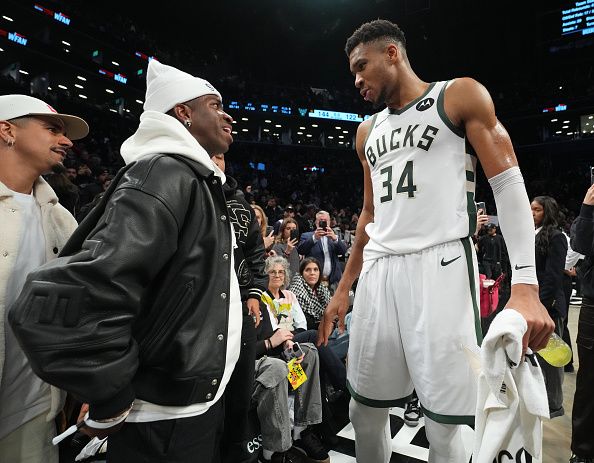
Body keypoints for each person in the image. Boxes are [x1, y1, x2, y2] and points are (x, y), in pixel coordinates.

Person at [318, 20, 554, 463]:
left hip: (441, 266)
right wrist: (344, 288)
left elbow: (506, 184)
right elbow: (369, 214)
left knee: (446, 425)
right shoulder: (365, 132)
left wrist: (525, 285)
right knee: (363, 409)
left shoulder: (457, 95)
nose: (356, 80)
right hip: (380, 273)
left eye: (361, 66)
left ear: (392, 54)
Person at [8, 60, 241, 462]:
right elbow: (76, 296)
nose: (227, 114)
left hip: (186, 405)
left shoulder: (189, 175)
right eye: (214, 104)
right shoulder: (166, 173)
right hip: (161, 414)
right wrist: (110, 391)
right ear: (182, 112)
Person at [0, 94, 89, 462]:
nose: (66, 140)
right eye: (52, 129)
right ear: (7, 131)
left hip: (31, 411)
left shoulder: (62, 222)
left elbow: (79, 313)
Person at [211, 153, 268, 462]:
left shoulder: (238, 201)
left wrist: (254, 293)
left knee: (240, 391)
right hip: (204, 312)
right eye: (209, 155)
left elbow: (255, 251)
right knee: (210, 395)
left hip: (240, 308)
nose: (215, 160)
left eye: (219, 156)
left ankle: (237, 451)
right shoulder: (186, 190)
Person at [531, 196, 568, 418]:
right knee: (535, 356)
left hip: (549, 305)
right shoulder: (533, 234)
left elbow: (553, 276)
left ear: (547, 212)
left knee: (552, 359)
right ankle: (537, 397)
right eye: (531, 210)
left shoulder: (557, 237)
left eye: (536, 210)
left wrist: (540, 305)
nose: (532, 213)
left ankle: (554, 404)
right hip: (533, 302)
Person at [568, 184, 594, 463]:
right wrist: (588, 207)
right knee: (589, 381)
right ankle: (584, 452)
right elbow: (580, 245)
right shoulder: (588, 215)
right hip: (593, 305)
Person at [297, 210, 348, 287]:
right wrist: (314, 238)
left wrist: (335, 239)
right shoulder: (307, 236)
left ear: (329, 222)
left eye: (325, 221)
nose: (323, 223)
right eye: (321, 221)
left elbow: (343, 251)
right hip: (314, 281)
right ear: (316, 222)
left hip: (333, 281)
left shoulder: (334, 236)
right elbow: (301, 250)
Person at [289, 257, 331, 331]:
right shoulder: (298, 292)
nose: (312, 273)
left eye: (315, 270)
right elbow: (308, 322)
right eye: (308, 270)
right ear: (301, 273)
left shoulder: (321, 289)